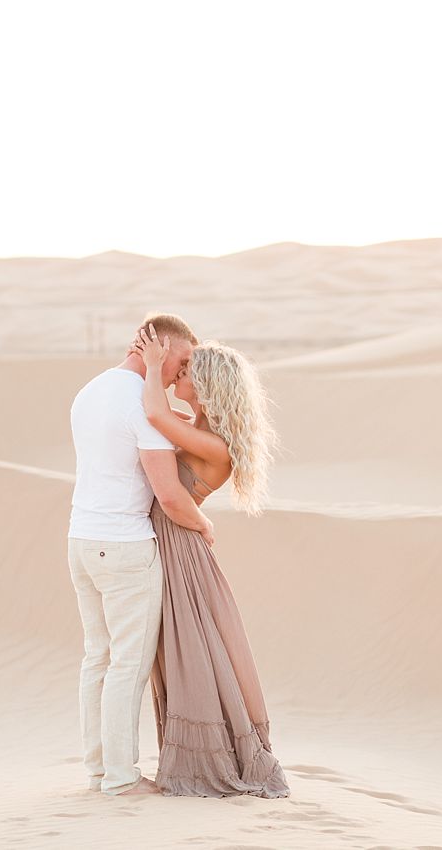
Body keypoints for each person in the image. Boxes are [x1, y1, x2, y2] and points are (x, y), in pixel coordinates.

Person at [131, 322, 291, 799]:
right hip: (175, 539)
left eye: (186, 372)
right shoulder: (199, 429)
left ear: (205, 386)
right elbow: (164, 415)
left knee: (191, 648)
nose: (177, 376)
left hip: (180, 545)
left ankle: (211, 758)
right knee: (182, 647)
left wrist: (154, 365)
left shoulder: (216, 445)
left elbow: (155, 415)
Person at [67, 313, 214, 796]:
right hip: (125, 547)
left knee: (98, 659)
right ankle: (121, 778)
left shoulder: (90, 391)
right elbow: (170, 495)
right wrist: (204, 523)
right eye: (184, 360)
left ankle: (97, 770)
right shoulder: (139, 405)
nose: (180, 373)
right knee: (128, 665)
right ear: (161, 348)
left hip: (81, 540)